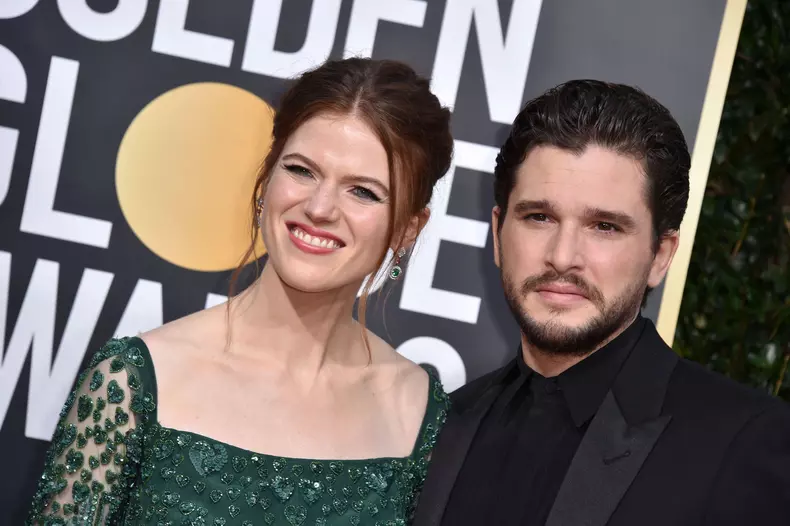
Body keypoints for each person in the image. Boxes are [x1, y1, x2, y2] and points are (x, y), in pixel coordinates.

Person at [26, 57, 454, 526]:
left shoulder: (419, 414)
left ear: (408, 230)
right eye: (301, 170)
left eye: (364, 192)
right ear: (267, 178)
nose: (320, 207)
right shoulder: (134, 382)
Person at [413, 80, 790, 526]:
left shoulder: (744, 440)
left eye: (605, 227)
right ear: (497, 235)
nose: (563, 256)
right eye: (539, 217)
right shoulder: (441, 424)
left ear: (660, 255)